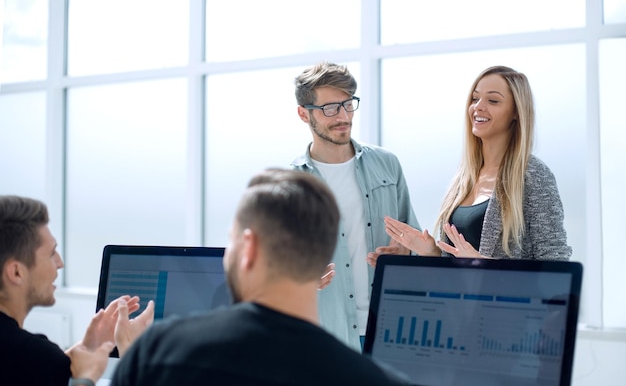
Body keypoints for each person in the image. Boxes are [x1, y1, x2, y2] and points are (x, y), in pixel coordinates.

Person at [111, 169, 411, 386]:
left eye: (231, 241)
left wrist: (131, 358)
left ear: (249, 248)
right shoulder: (374, 379)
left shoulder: (157, 353)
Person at [291, 62, 421, 350]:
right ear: (303, 113)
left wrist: (407, 250)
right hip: (328, 337)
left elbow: (413, 237)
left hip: (389, 330)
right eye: (330, 108)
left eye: (348, 104)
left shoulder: (387, 164)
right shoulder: (291, 185)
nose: (343, 116)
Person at [381, 66, 572, 260]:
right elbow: (458, 264)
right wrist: (432, 251)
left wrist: (483, 265)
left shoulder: (533, 175)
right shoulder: (464, 178)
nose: (478, 106)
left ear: (516, 112)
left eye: (493, 100)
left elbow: (555, 262)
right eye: (475, 98)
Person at [0, 195, 155, 386]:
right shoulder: (34, 357)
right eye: (51, 254)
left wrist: (88, 348)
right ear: (16, 272)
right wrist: (129, 354)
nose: (60, 263)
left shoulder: (32, 361)